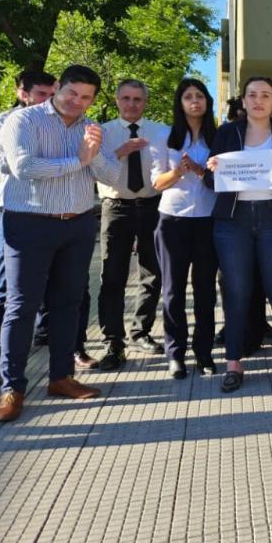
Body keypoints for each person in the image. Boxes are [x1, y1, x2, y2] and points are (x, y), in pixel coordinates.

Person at [0, 64, 121, 422]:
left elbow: (114, 177)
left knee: (69, 303)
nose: (77, 102)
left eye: (86, 97)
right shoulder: (24, 121)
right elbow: (24, 167)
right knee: (21, 306)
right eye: (71, 93)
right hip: (29, 224)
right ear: (57, 88)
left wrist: (93, 157)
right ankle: (12, 387)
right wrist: (77, 159)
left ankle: (61, 377)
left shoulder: (90, 129)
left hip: (77, 226)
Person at [204, 77, 272, 393]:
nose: (258, 100)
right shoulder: (227, 133)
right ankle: (234, 363)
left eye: (265, 95)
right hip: (232, 223)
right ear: (243, 100)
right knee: (237, 291)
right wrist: (211, 169)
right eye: (252, 95)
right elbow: (209, 184)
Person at [0, 70, 56, 367]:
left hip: (49, 210)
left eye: (52, 94)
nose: (47, 101)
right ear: (22, 93)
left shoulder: (60, 120)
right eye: (41, 94)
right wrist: (31, 164)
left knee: (47, 278)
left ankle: (43, 332)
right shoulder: (3, 121)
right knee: (4, 282)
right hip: (12, 210)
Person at [93, 80, 167, 372]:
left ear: (145, 102)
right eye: (126, 98)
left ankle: (141, 331)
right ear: (116, 100)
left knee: (152, 272)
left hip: (152, 206)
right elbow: (93, 168)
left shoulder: (161, 132)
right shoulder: (103, 132)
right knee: (112, 275)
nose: (132, 104)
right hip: (117, 207)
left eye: (137, 99)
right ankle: (113, 341)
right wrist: (120, 151)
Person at [150, 79, 219, 379]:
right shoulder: (167, 138)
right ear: (180, 103)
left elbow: (223, 179)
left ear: (208, 101)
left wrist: (201, 170)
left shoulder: (218, 137)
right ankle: (175, 354)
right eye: (188, 96)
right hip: (173, 219)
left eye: (200, 96)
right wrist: (178, 171)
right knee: (173, 291)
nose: (195, 101)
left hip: (207, 219)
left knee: (205, 291)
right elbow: (156, 182)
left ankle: (203, 353)